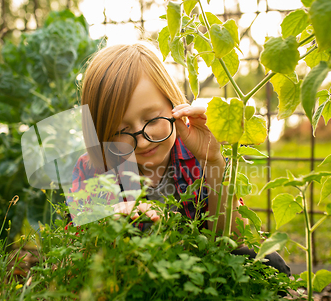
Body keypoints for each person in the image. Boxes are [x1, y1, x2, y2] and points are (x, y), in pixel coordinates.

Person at [69, 43, 290, 276]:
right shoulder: (92, 168)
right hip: (131, 277)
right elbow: (74, 254)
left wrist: (213, 161)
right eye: (121, 131)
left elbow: (232, 238)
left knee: (268, 263)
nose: (142, 141)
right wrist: (107, 221)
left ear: (174, 105)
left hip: (198, 273)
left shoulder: (196, 152)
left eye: (152, 120)